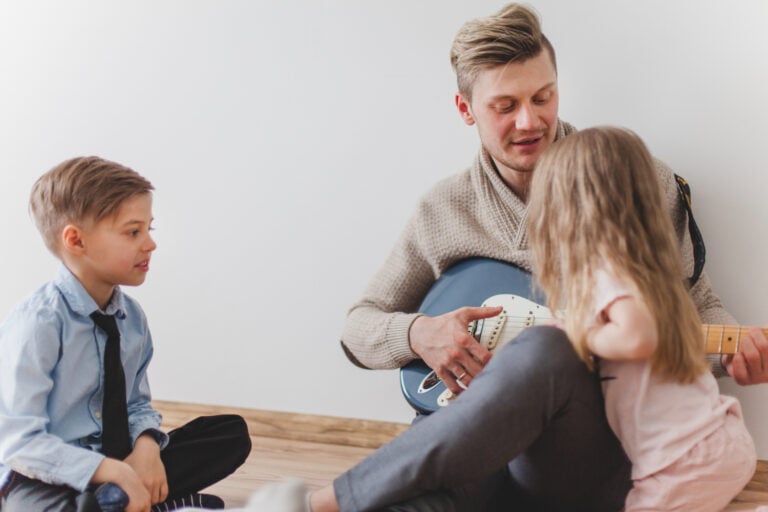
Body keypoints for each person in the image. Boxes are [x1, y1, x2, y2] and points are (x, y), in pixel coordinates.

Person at [312, 3, 767, 511]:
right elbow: (358, 328)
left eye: (542, 97)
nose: (530, 121)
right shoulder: (442, 210)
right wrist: (422, 332)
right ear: (466, 110)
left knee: (547, 349)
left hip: (586, 449)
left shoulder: (634, 178)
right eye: (504, 106)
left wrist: (734, 349)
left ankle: (322, 501)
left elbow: (692, 299)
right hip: (470, 442)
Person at [0, 156, 252, 512]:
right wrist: (109, 471)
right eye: (133, 232)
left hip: (118, 455)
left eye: (150, 229)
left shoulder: (131, 317)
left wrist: (147, 449)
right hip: (46, 472)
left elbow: (136, 402)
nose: (150, 244)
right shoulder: (38, 323)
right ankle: (132, 500)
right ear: (76, 240)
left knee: (229, 434)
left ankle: (122, 500)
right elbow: (19, 443)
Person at [525, 126, 756, 511]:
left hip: (683, 462)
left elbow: (636, 339)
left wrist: (577, 334)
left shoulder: (608, 273)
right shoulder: (651, 275)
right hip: (714, 441)